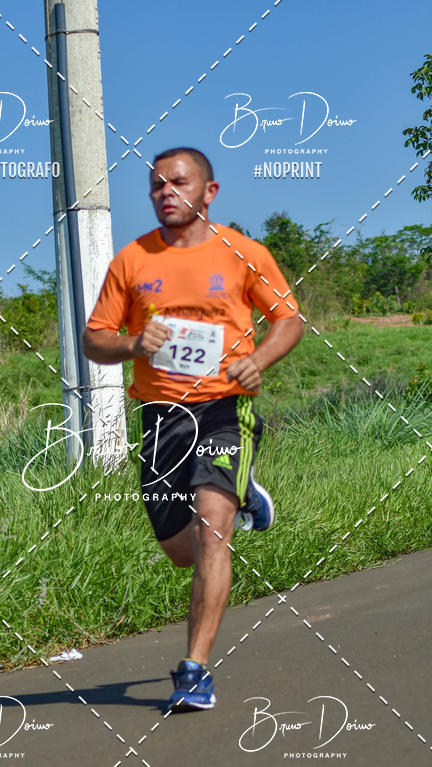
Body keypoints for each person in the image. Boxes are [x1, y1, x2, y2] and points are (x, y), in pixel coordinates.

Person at [82, 147, 304, 712]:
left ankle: (194, 669)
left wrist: (260, 361)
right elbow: (94, 339)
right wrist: (133, 344)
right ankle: (246, 493)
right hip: (161, 417)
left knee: (212, 528)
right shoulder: (132, 261)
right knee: (181, 551)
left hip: (225, 408)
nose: (165, 193)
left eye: (178, 183)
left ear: (210, 191)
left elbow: (288, 318)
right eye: (156, 185)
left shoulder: (243, 252)